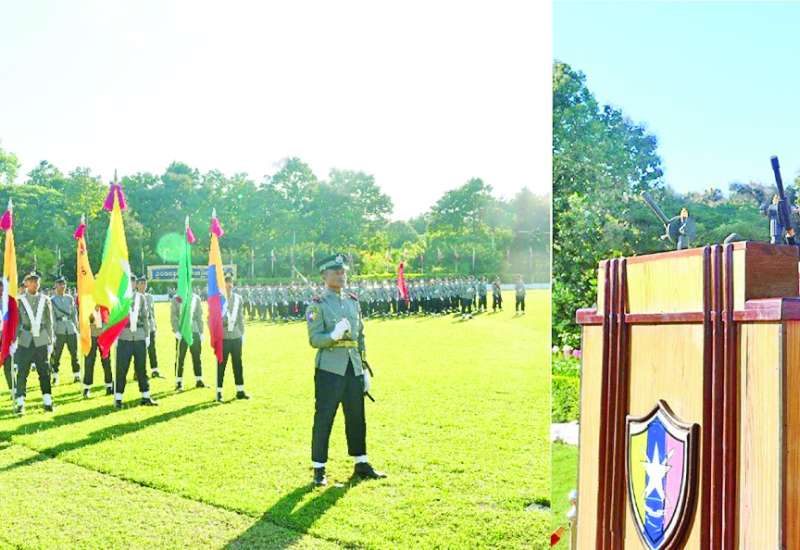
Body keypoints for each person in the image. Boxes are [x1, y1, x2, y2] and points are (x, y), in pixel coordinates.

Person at [306, 253, 386, 487]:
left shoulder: (352, 301)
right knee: (324, 418)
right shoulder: (317, 305)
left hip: (353, 367)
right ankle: (319, 468)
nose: (342, 275)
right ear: (324, 275)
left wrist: (364, 367)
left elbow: (360, 337)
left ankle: (361, 462)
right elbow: (314, 340)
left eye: (343, 272)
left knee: (356, 417)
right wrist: (333, 335)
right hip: (329, 370)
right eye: (336, 272)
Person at [14, 271, 55, 414]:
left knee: (44, 371)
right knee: (22, 371)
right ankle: (20, 401)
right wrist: (14, 340)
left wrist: (50, 341)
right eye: (31, 281)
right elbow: (16, 322)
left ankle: (47, 400)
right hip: (25, 338)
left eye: (36, 281)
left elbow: (49, 322)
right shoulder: (20, 300)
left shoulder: (45, 299)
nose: (34, 284)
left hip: (41, 338)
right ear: (26, 283)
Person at [114, 275, 157, 408]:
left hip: (139, 336)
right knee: (122, 369)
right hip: (124, 336)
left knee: (141, 368)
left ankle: (145, 396)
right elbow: (114, 318)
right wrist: (115, 336)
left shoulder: (141, 298)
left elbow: (145, 317)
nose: (131, 284)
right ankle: (118, 398)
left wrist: (147, 335)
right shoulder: (119, 298)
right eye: (129, 282)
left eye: (133, 282)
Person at [216, 274, 248, 401]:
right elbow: (212, 318)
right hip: (223, 336)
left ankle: (240, 390)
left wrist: (242, 333)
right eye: (226, 282)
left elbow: (240, 317)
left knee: (238, 364)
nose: (229, 285)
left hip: (236, 335)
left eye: (230, 282)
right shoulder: (218, 299)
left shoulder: (238, 298)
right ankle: (219, 392)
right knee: (221, 365)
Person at [172, 287, 205, 391]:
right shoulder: (177, 298)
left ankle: (199, 380)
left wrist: (201, 332)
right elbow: (174, 316)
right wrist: (176, 331)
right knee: (180, 358)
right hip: (182, 331)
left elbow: (199, 316)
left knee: (196, 356)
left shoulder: (196, 298)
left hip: (194, 330)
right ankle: (179, 381)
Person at [50, 276, 81, 384]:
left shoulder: (70, 298)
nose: (62, 286)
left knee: (74, 353)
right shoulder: (52, 300)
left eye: (64, 284)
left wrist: (77, 327)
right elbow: (52, 317)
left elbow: (74, 314)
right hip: (59, 330)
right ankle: (55, 375)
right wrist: (53, 332)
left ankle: (77, 374)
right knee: (56, 354)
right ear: (56, 285)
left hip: (70, 328)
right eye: (60, 284)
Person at [83, 306, 113, 397]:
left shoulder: (104, 305)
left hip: (103, 334)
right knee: (89, 361)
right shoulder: (87, 303)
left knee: (106, 360)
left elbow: (109, 317)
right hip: (90, 334)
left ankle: (109, 385)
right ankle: (87, 387)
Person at [137, 276, 161, 378]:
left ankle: (155, 370)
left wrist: (155, 325)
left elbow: (152, 311)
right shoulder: (135, 297)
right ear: (137, 285)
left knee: (152, 348)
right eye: (141, 283)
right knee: (139, 351)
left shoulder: (150, 297)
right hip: (140, 327)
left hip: (150, 326)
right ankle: (138, 372)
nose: (143, 286)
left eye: (145, 284)